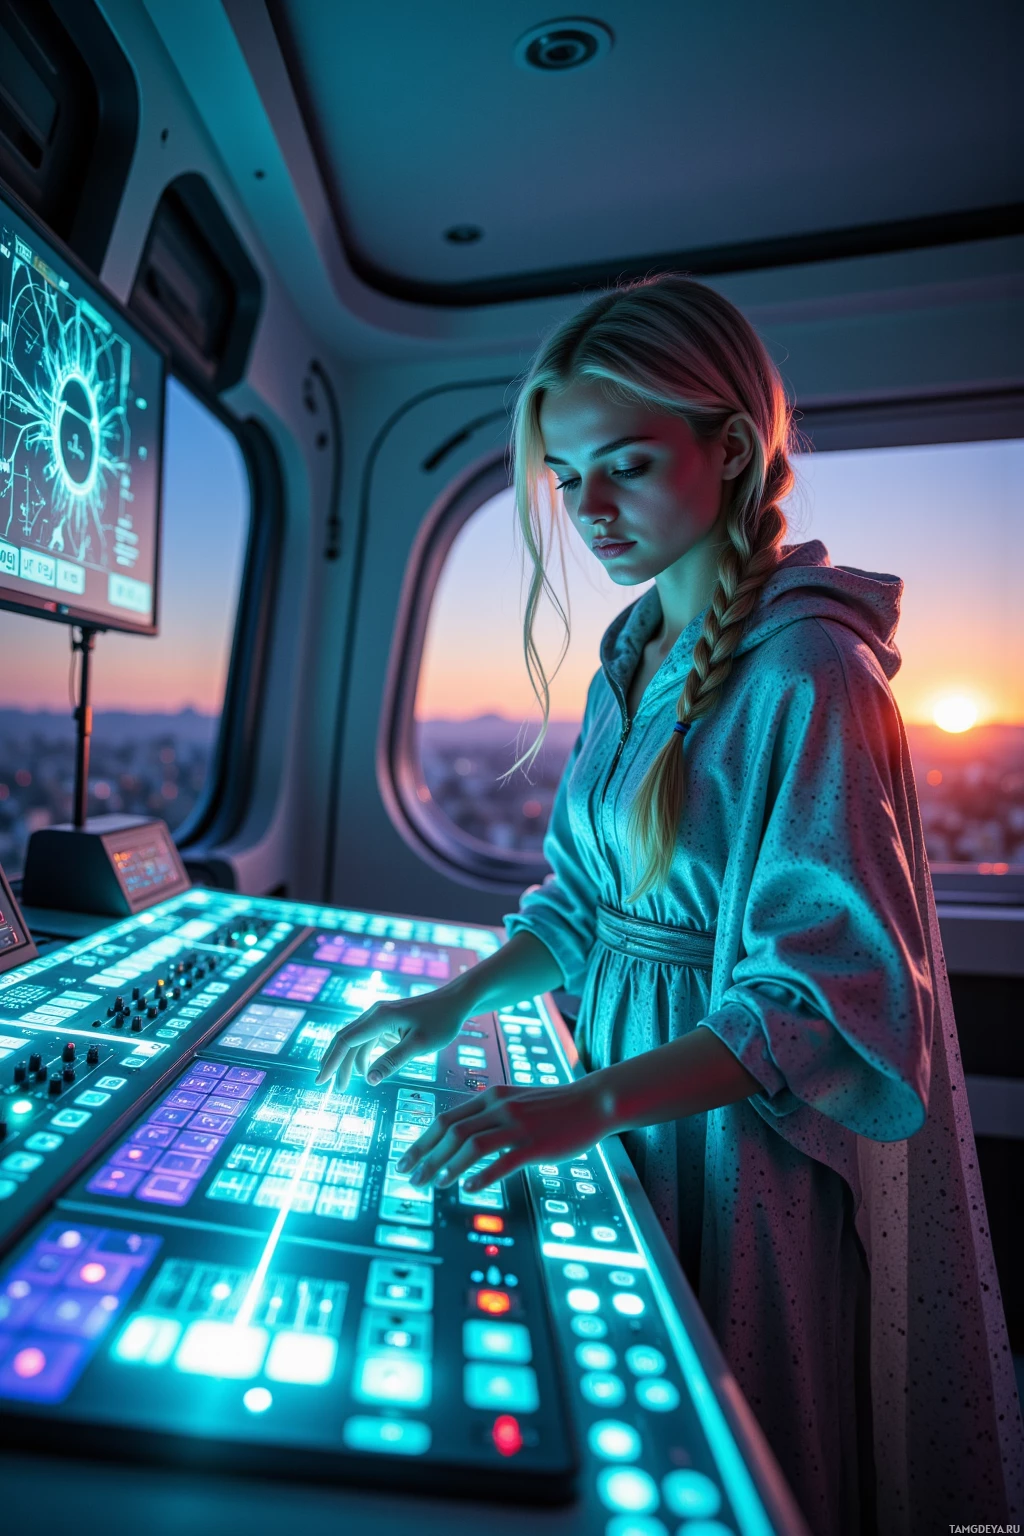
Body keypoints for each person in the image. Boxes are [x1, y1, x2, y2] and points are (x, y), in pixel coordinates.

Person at [316, 275, 1022, 1534]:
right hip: (619, 1100)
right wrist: (451, 1002)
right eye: (567, 476)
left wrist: (581, 1104)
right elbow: (583, 909)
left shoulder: (815, 672)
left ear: (732, 450)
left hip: (734, 1146)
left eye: (625, 465)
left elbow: (820, 1003)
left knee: (729, 1455)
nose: (589, 510)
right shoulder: (634, 654)